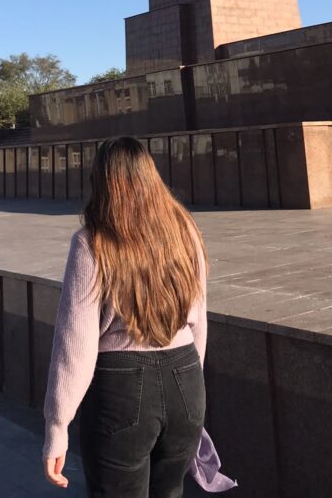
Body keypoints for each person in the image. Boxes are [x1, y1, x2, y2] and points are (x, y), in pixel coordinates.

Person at [42, 136, 235, 496]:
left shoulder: (92, 242)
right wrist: (192, 383)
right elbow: (198, 320)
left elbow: (75, 345)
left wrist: (57, 425)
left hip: (122, 388)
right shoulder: (185, 230)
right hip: (187, 380)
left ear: (102, 183)